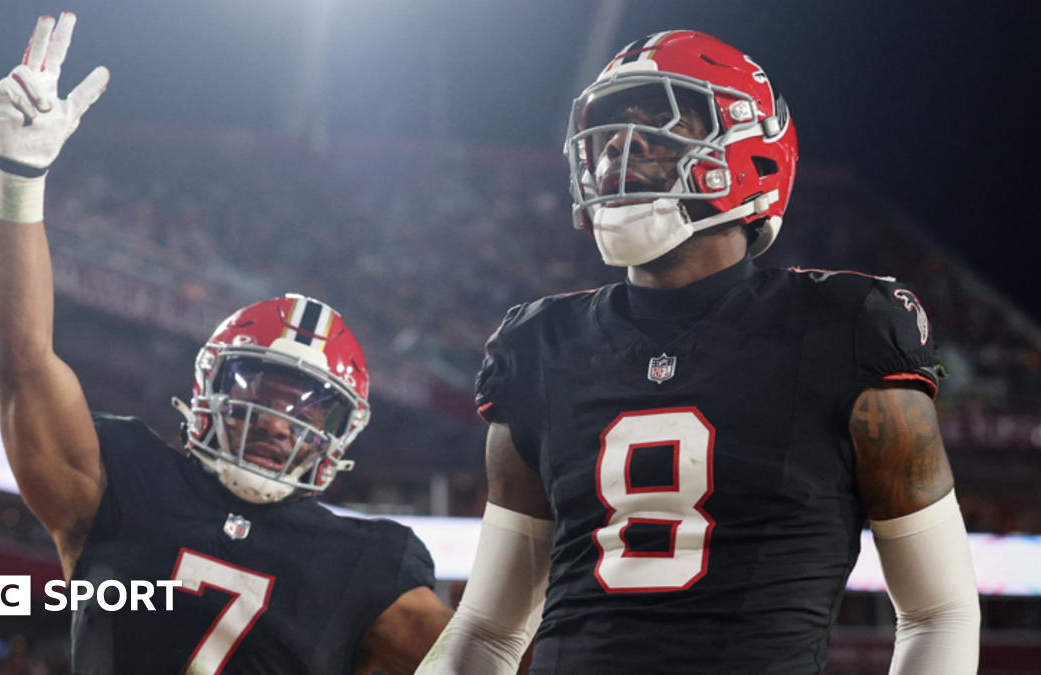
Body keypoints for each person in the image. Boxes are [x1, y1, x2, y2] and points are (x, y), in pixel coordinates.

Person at [416, 30, 979, 675]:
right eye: (610, 129)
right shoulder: (539, 345)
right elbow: (489, 629)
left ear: (752, 151)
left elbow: (939, 612)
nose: (621, 147)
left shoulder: (845, 329)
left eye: (664, 120)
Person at [0, 14, 454, 675]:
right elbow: (22, 358)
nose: (279, 421)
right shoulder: (125, 477)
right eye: (263, 392)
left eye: (306, 408)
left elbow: (489, 660)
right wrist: (19, 175)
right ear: (208, 389)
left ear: (340, 434)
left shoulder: (369, 562)